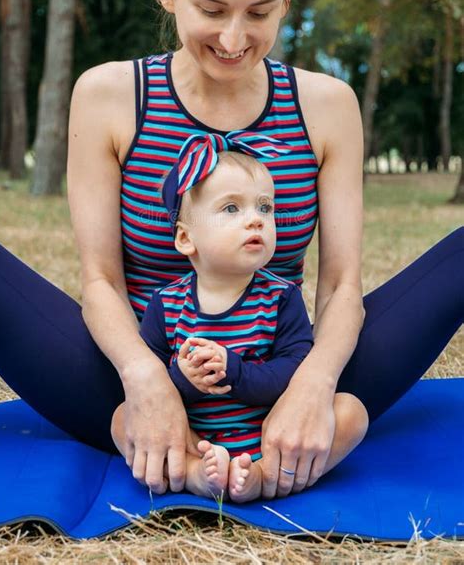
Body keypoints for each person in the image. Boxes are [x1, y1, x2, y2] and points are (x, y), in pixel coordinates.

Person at [0, 0, 462, 501]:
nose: (235, 38)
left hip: (279, 363)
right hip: (138, 374)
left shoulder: (327, 106)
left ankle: (285, 445)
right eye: (211, 8)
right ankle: (172, 443)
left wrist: (312, 387)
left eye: (261, 12)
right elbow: (100, 281)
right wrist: (147, 378)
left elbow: (342, 281)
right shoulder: (108, 95)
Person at [111, 131, 369, 501]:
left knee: (351, 413)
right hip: (192, 432)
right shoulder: (166, 305)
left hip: (271, 431)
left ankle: (261, 477)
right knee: (122, 418)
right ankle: (198, 472)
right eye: (232, 208)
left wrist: (235, 371)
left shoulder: (281, 297)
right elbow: (152, 388)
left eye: (265, 208)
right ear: (186, 239)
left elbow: (294, 371)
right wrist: (184, 380)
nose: (256, 220)